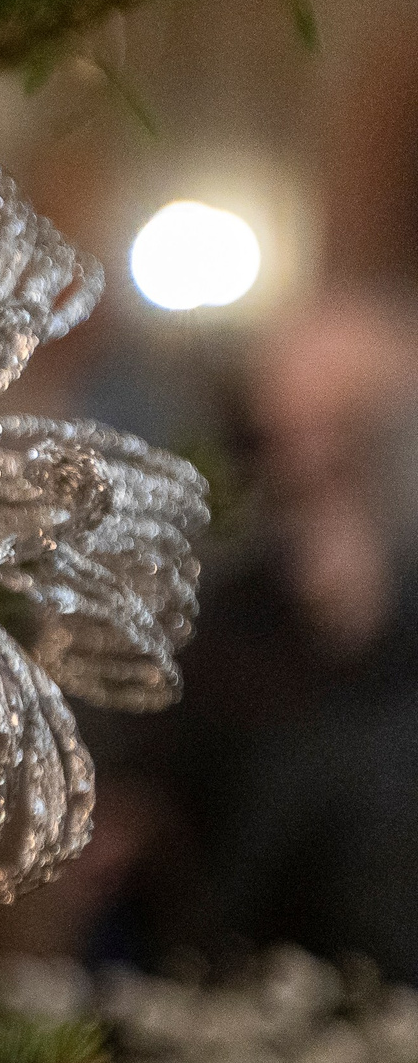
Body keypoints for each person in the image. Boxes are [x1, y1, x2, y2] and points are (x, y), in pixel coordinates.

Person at [92, 291, 418, 981]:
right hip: (255, 984)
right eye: (281, 437)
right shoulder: (227, 613)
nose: (302, 466)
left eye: (342, 439)